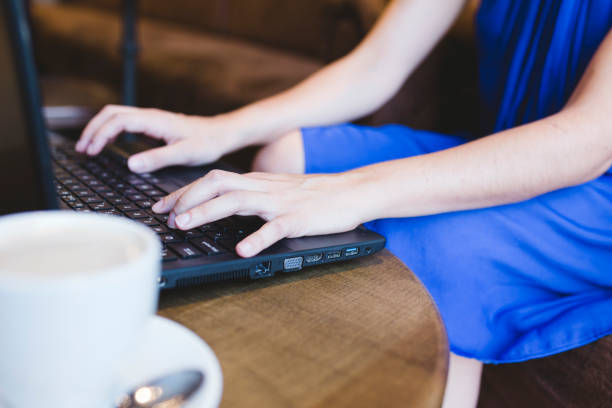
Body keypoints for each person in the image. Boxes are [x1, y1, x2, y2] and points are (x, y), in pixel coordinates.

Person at [75, 0, 612, 406]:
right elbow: (377, 64)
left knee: (434, 249)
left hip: (591, 185)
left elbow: (584, 143)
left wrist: (348, 192)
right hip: (511, 145)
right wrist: (218, 130)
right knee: (286, 155)